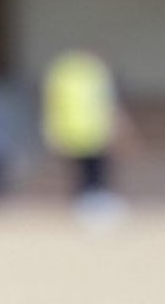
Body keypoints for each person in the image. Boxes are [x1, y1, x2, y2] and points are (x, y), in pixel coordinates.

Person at [41, 50, 121, 207]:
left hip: (83, 131)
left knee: (89, 170)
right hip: (89, 131)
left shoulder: (63, 75)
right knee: (89, 170)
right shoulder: (93, 75)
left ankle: (90, 200)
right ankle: (89, 201)